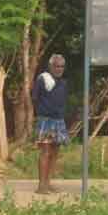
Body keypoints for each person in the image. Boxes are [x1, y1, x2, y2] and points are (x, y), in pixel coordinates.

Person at [33, 54, 70, 194]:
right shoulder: (42, 79)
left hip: (59, 120)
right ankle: (41, 186)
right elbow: (35, 98)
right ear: (50, 66)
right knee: (45, 151)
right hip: (46, 120)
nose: (59, 69)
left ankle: (48, 183)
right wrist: (41, 114)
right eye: (56, 66)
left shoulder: (63, 82)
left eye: (61, 66)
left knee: (55, 152)